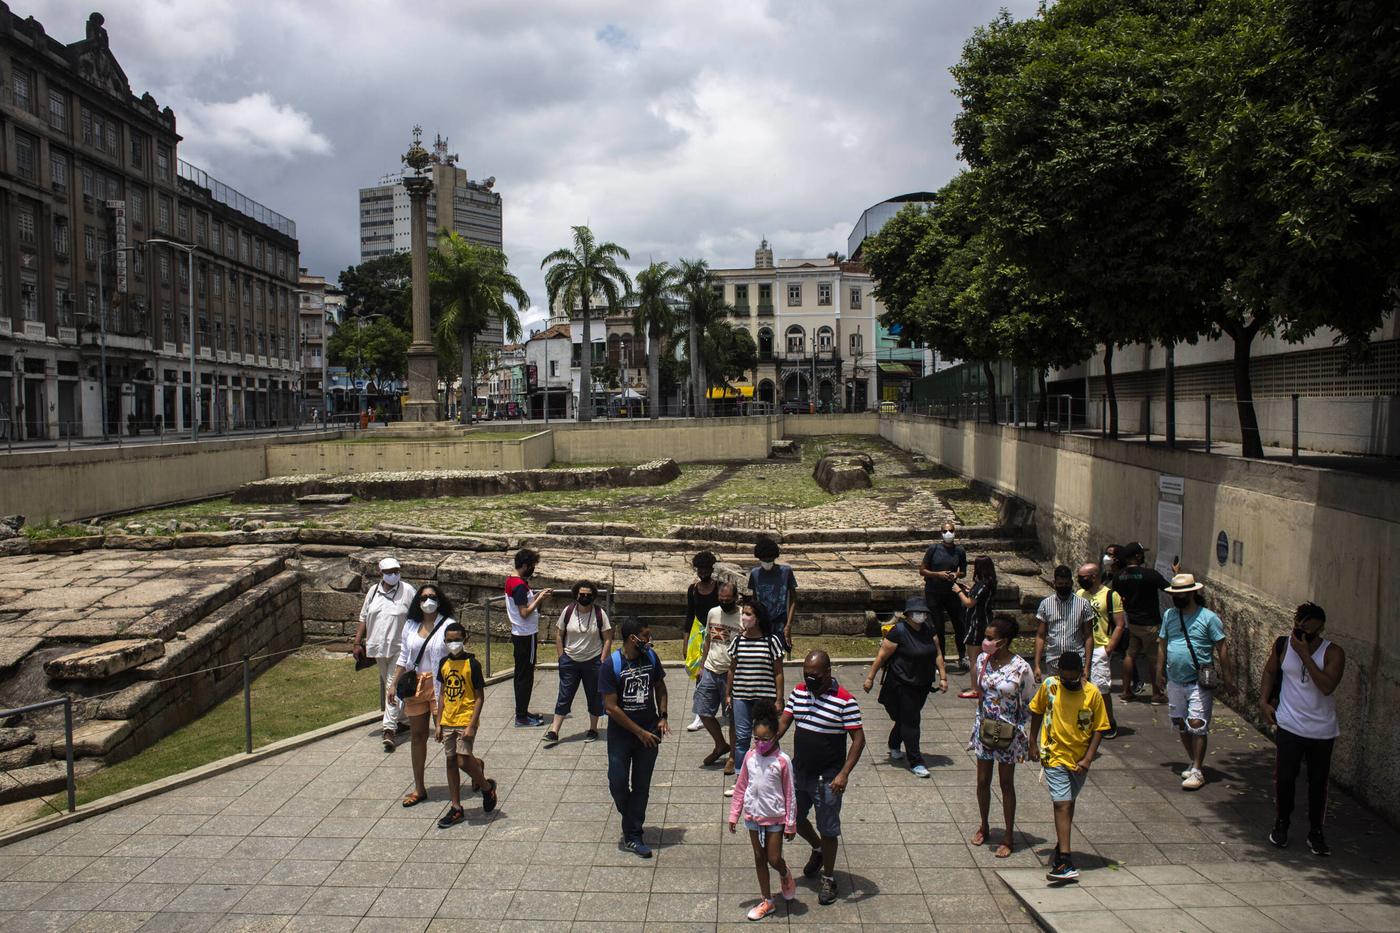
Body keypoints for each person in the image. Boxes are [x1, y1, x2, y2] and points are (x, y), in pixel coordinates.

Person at [777, 649, 865, 907]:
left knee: (828, 828)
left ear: (827, 672)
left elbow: (858, 740)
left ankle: (828, 877)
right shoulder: (799, 692)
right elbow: (784, 722)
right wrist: (767, 743)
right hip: (799, 772)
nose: (809, 680)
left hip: (827, 778)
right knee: (791, 817)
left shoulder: (845, 701)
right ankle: (816, 848)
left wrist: (844, 774)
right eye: (806, 674)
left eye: (814, 675)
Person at [1260, 602, 1344, 856]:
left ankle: (1316, 832)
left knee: (1318, 785)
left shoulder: (1333, 653)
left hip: (1321, 731)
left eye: (1308, 631)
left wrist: (1306, 654)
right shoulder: (1283, 645)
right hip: (1289, 726)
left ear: (1319, 630)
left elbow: (1327, 686)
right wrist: (1263, 701)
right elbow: (1270, 671)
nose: (1301, 634)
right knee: (1284, 779)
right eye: (1298, 628)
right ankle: (1282, 823)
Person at [1029, 651, 1109, 882]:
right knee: (1062, 803)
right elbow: (1036, 710)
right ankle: (1065, 860)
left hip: (1079, 759)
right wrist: (1032, 742)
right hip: (1054, 754)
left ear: (1082, 674)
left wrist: (1087, 759)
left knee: (1068, 803)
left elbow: (1100, 727)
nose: (1070, 683)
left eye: (1074, 679)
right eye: (1065, 679)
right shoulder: (1050, 687)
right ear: (1058, 674)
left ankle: (1061, 844)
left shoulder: (1092, 694)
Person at [1155, 573, 1233, 791]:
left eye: (1181, 594)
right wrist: (1158, 671)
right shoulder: (1170, 615)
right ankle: (1193, 760)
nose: (1177, 598)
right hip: (1174, 679)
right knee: (1181, 722)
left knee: (1197, 724)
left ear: (1192, 593)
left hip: (1198, 680)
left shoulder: (1208, 618)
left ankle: (1198, 769)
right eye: (1174, 594)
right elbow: (1162, 643)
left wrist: (1228, 677)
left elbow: (1222, 647)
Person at [600, 617, 669, 858]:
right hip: (622, 736)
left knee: (641, 786)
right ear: (633, 638)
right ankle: (631, 818)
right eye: (646, 636)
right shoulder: (611, 665)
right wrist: (638, 732)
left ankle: (633, 834)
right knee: (617, 782)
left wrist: (663, 716)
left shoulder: (651, 658)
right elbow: (611, 707)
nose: (649, 640)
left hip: (650, 732)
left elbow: (660, 687)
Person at [968, 616, 1035, 858]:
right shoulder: (983, 659)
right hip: (985, 726)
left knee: (1006, 784)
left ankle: (1008, 835)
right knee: (982, 780)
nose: (985, 641)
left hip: (1009, 731)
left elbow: (1029, 702)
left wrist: (1027, 733)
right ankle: (983, 824)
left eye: (989, 637)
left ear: (1003, 641)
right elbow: (978, 689)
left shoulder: (1021, 667)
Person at [729, 698, 798, 921]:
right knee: (759, 857)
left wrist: (790, 823)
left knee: (773, 858)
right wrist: (734, 814)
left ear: (775, 735)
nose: (759, 743)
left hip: (775, 818)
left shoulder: (783, 761)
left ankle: (785, 873)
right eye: (756, 738)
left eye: (764, 739)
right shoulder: (750, 757)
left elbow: (790, 794)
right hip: (753, 816)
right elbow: (741, 787)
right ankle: (767, 901)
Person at [864, 595, 947, 778]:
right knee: (910, 721)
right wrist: (870, 678)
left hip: (923, 684)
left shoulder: (929, 630)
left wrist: (943, 676)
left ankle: (895, 744)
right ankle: (916, 761)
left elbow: (938, 654)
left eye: (923, 612)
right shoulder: (898, 631)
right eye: (917, 612)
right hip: (901, 684)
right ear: (908, 614)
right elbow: (882, 656)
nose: (921, 616)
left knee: (907, 720)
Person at [388, 584, 454, 808]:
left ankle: (472, 767)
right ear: (418, 601)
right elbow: (404, 657)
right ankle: (419, 787)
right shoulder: (410, 625)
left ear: (439, 599)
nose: (428, 601)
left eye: (432, 597)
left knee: (448, 737)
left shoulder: (448, 624)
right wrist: (393, 683)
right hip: (415, 685)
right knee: (417, 737)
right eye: (424, 597)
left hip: (439, 686)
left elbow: (456, 656)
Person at [433, 620, 497, 827]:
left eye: (457, 640)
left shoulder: (472, 664)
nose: (454, 644)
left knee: (462, 761)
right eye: (450, 640)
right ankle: (456, 806)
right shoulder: (444, 663)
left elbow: (479, 697)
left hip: (465, 718)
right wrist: (438, 722)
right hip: (448, 719)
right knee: (451, 760)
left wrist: (471, 724)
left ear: (465, 639)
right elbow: (442, 693)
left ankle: (487, 788)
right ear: (444, 641)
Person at [353, 557, 416, 752]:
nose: (394, 574)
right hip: (378, 648)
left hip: (400, 648)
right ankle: (404, 720)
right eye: (389, 571)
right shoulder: (373, 592)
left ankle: (389, 729)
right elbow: (364, 617)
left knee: (392, 686)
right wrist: (357, 641)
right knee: (390, 685)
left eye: (396, 570)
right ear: (381, 573)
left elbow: (416, 617)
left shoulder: (407, 591)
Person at [726, 600, 785, 797]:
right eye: (744, 613)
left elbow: (778, 672)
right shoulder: (737, 641)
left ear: (757, 618)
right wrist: (728, 693)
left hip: (764, 698)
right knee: (742, 739)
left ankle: (771, 774)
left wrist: (779, 698)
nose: (744, 617)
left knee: (766, 738)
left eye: (749, 614)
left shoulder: (771, 641)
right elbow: (732, 670)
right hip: (741, 696)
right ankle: (740, 779)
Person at [544, 579, 612, 748]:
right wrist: (561, 657)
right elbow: (559, 634)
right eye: (582, 595)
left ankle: (593, 728)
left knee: (594, 696)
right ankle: (554, 731)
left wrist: (603, 659)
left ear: (593, 596)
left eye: (588, 595)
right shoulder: (568, 611)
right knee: (564, 695)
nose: (585, 598)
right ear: (576, 595)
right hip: (570, 660)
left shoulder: (599, 613)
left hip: (593, 660)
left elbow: (608, 638)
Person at [1113, 542, 1175, 705]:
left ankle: (1126, 692)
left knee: (1129, 655)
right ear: (1138, 556)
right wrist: (1177, 575)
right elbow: (1169, 589)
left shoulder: (1118, 576)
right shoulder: (1150, 574)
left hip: (1132, 622)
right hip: (1151, 623)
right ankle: (1156, 694)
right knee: (1154, 658)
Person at [694, 581, 741, 769]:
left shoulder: (743, 616)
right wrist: (702, 665)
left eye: (728, 600)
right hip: (711, 668)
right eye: (721, 600)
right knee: (703, 710)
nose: (724, 603)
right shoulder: (713, 613)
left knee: (732, 718)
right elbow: (707, 639)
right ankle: (720, 744)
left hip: (732, 673)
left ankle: (733, 756)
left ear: (735, 598)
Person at [504, 548, 553, 727]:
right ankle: (521, 716)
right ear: (524, 565)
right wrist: (539, 598)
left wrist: (537, 595)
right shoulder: (518, 585)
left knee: (521, 674)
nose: (533, 569)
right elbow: (524, 612)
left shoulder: (514, 580)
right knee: (525, 676)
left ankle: (523, 711)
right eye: (531, 566)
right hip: (525, 635)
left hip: (520, 634)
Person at [1077, 562, 1126, 738]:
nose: (1080, 580)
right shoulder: (1080, 594)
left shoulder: (1110, 596)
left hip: (1100, 646)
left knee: (1100, 687)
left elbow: (1120, 624)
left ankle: (1108, 721)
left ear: (1094, 576)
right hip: (1082, 646)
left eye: (1083, 577)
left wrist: (1109, 647)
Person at [920, 521, 969, 671]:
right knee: (938, 627)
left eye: (951, 530)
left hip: (952, 591)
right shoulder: (933, 549)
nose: (948, 533)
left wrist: (955, 574)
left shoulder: (959, 551)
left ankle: (962, 656)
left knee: (959, 624)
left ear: (954, 532)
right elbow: (922, 570)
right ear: (941, 533)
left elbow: (963, 571)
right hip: (934, 592)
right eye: (945, 531)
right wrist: (938, 574)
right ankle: (940, 658)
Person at [1034, 565, 1095, 682]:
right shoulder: (1045, 604)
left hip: (1077, 662)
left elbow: (1088, 636)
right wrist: (1037, 665)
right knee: (1054, 698)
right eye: (1060, 584)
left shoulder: (1083, 604)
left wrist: (1087, 667)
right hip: (1053, 662)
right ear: (1054, 583)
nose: (1063, 587)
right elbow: (1040, 635)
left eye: (1066, 584)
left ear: (1071, 583)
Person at [686, 551, 722, 731]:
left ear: (711, 569)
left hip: (719, 633)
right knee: (699, 673)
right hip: (699, 634)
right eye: (700, 569)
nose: (703, 572)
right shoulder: (693, 590)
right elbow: (689, 615)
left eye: (706, 569)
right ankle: (699, 715)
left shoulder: (720, 588)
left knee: (721, 670)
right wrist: (685, 642)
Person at [955, 556, 998, 698]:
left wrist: (958, 591)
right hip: (985, 622)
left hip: (977, 624)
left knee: (974, 658)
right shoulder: (989, 584)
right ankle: (982, 685)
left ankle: (975, 689)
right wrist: (968, 590)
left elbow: (969, 603)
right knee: (984, 658)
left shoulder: (983, 585)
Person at [749, 535, 797, 655]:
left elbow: (793, 599)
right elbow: (754, 600)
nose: (767, 562)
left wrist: (789, 625)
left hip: (780, 623)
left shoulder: (786, 572)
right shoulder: (755, 574)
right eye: (764, 559)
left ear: (775, 557)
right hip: (762, 623)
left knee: (778, 655)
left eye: (770, 559)